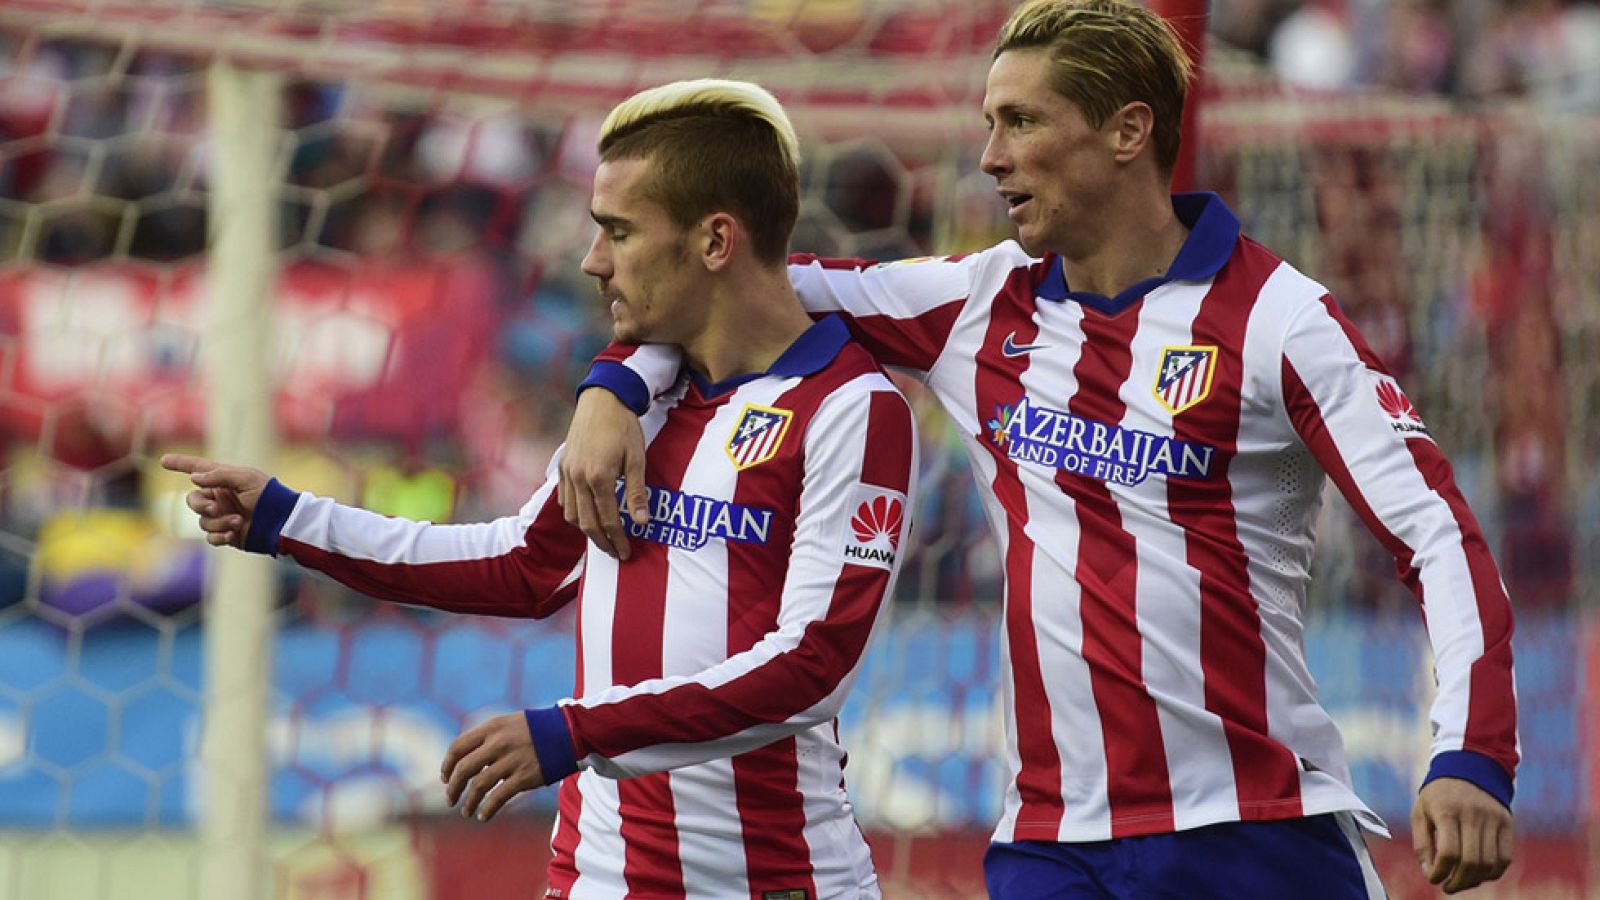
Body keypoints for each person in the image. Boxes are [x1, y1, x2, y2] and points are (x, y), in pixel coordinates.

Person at [557, 2, 1519, 897]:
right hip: (1051, 843)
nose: (988, 157)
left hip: (1253, 825)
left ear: (1127, 132)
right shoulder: (979, 301)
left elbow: (1436, 535)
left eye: (1020, 122)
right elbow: (723, 286)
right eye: (989, 123)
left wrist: (1471, 754)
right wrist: (614, 382)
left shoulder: (1278, 319)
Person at [164, 78, 917, 899]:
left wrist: (573, 733)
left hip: (776, 877)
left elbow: (812, 666)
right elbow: (526, 565)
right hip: (598, 874)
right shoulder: (641, 391)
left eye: (618, 233)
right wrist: (288, 517)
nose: (592, 260)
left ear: (714, 241)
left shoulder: (852, 409)